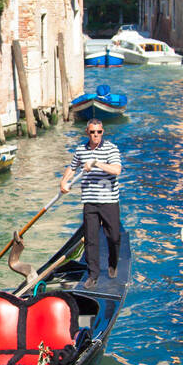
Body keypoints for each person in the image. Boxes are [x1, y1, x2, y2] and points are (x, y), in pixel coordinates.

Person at [59, 119, 121, 287]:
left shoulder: (111, 149)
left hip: (109, 201)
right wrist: (64, 182)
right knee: (91, 240)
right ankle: (93, 274)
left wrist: (96, 163)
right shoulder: (81, 150)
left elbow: (116, 170)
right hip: (90, 201)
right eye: (93, 132)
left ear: (103, 132)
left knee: (114, 237)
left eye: (99, 132)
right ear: (87, 132)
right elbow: (72, 167)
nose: (96, 135)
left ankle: (113, 263)